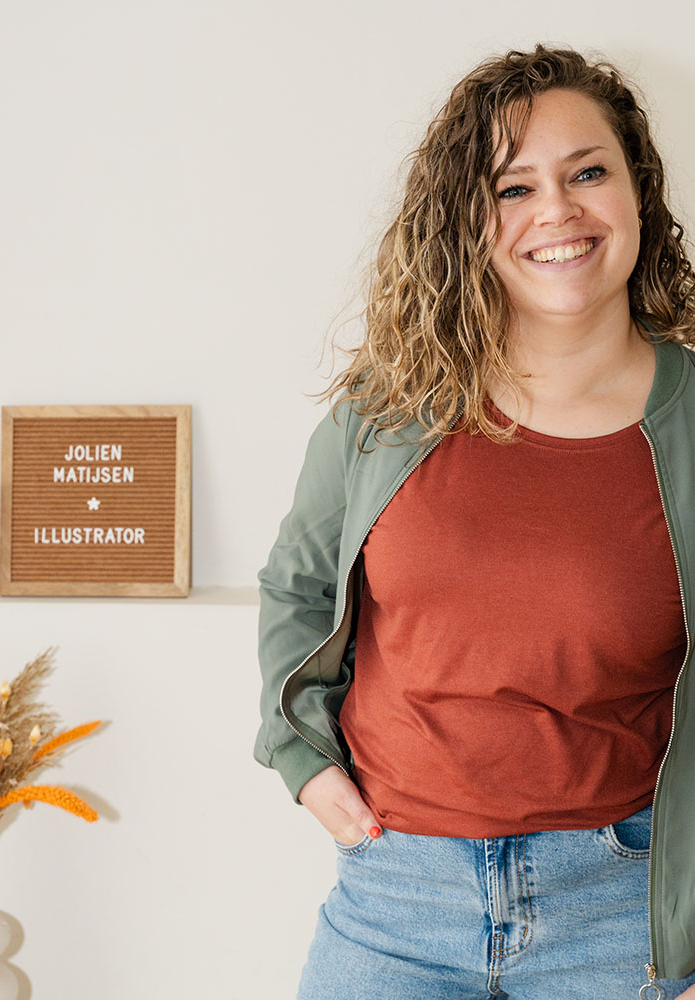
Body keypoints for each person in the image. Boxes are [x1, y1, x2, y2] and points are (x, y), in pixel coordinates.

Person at [254, 43, 695, 1000]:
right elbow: (296, 583)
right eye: (513, 187)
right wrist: (300, 758)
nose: (558, 212)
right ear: (467, 223)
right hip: (393, 905)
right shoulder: (386, 410)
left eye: (588, 173)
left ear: (638, 194)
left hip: (622, 915)